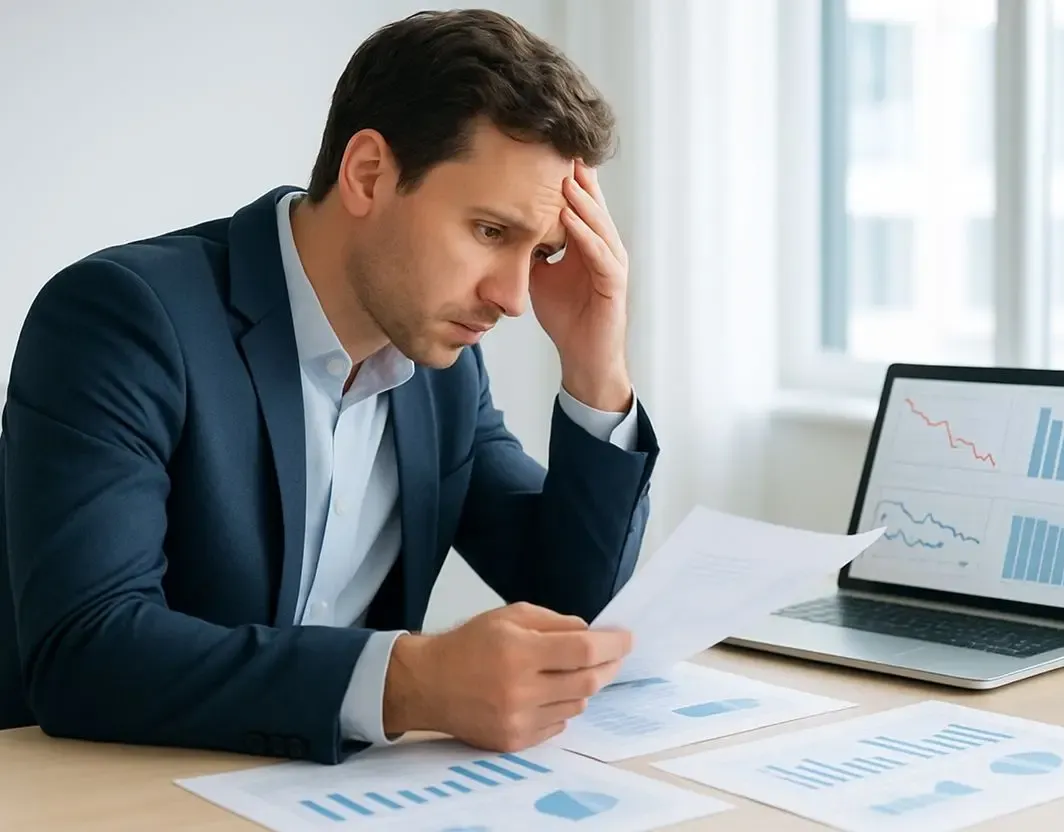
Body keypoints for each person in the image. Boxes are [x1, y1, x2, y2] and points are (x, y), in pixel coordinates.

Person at [0, 8, 657, 765]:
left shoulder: (441, 369)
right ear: (368, 174)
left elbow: (572, 608)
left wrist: (595, 364)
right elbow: (85, 649)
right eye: (488, 232)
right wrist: (408, 683)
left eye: (539, 252)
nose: (512, 297)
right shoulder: (123, 319)